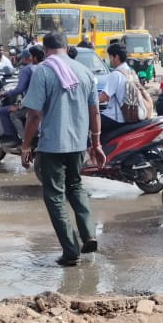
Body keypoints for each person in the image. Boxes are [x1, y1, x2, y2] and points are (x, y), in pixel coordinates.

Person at [20, 32, 105, 266]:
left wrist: (25, 145)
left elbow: (34, 115)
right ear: (67, 48)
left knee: (55, 197)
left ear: (45, 50)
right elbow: (95, 112)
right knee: (76, 186)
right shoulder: (84, 72)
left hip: (52, 146)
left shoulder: (43, 71)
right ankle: (89, 234)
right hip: (78, 145)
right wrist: (96, 144)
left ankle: (70, 251)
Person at [98, 43, 136, 133]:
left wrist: (89, 101)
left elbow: (103, 98)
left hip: (115, 117)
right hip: (129, 116)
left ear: (117, 57)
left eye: (110, 57)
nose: (109, 60)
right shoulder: (131, 72)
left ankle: (94, 142)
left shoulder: (116, 74)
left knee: (88, 121)